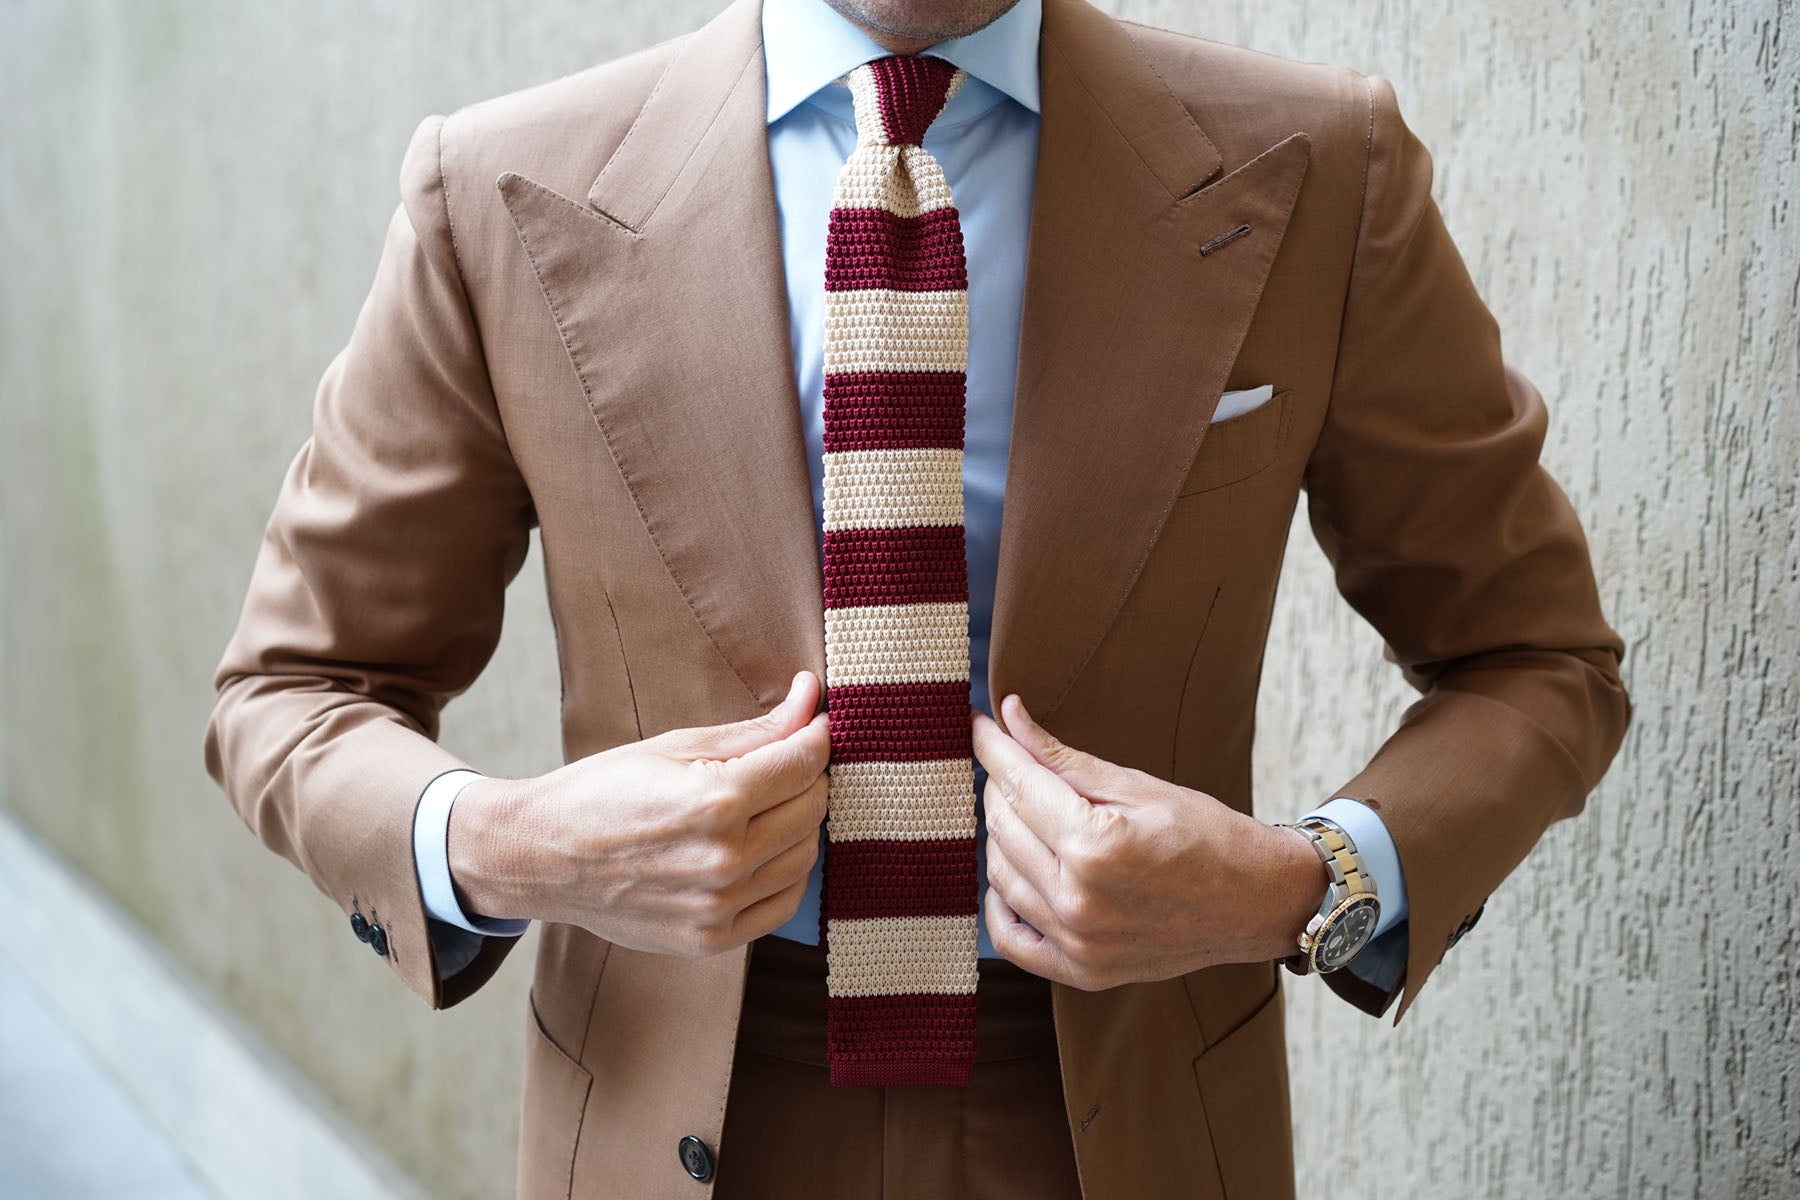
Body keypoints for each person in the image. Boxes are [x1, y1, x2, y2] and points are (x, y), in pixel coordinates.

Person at [202, 0, 1632, 1195]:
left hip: (1122, 1113)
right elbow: (292, 692)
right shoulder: (494, 191)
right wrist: (514, 845)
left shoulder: (1320, 165)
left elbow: (1537, 658)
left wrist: (1293, 883)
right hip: (674, 1103)